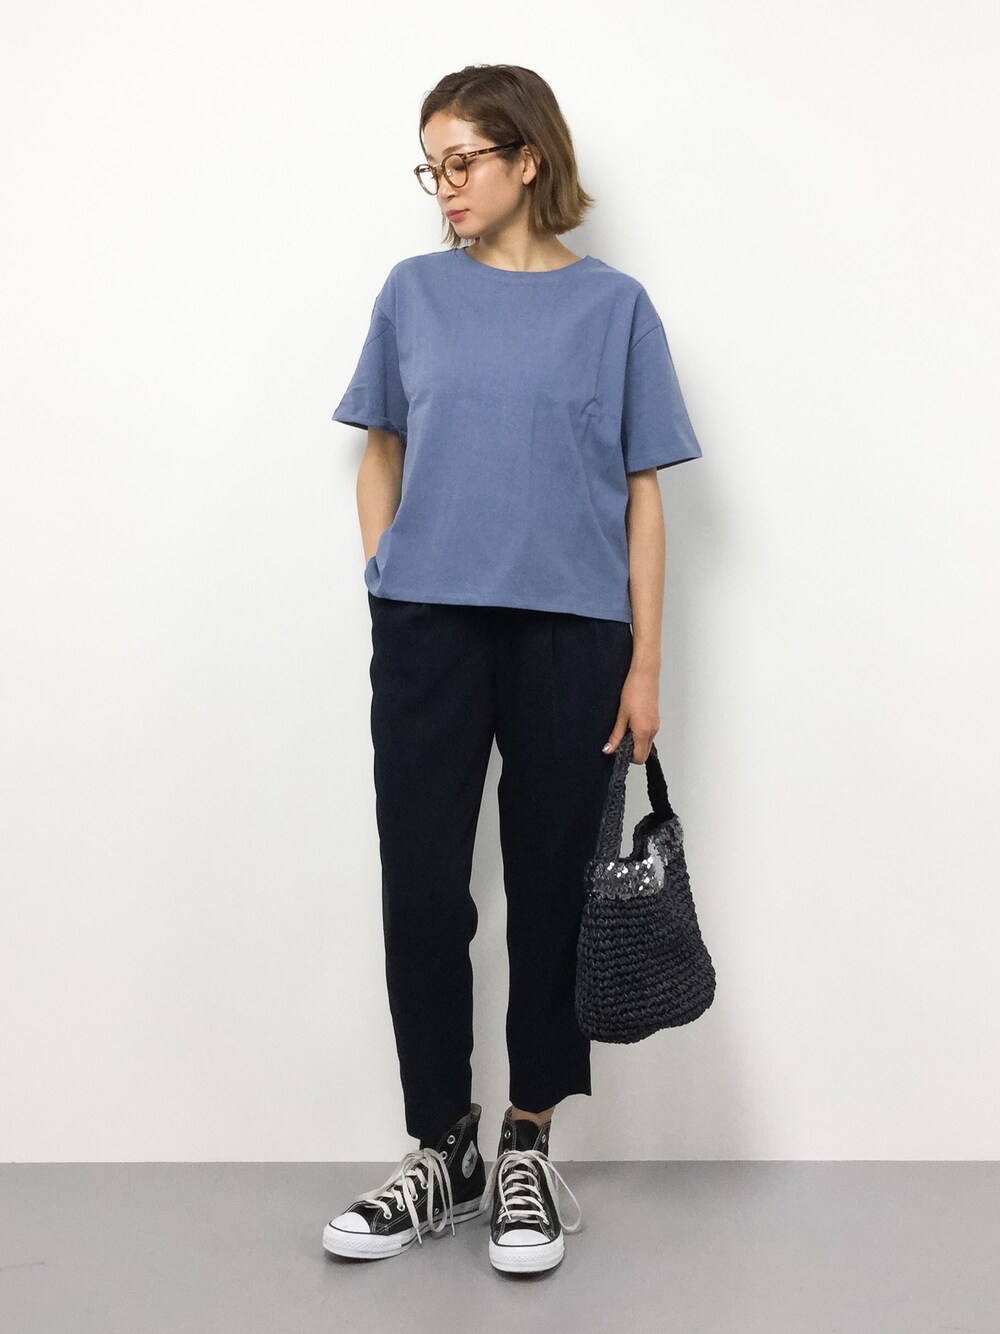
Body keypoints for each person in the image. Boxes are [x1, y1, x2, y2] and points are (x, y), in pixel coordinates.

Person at [321, 63, 703, 1275]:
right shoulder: (413, 293)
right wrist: (386, 575)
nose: (443, 187)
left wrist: (646, 663)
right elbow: (379, 446)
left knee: (550, 891)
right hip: (428, 628)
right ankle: (443, 1144)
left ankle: (529, 1138)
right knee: (423, 888)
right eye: (429, 167)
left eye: (462, 162)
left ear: (526, 158)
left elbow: (643, 497)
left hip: (573, 636)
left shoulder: (614, 307)